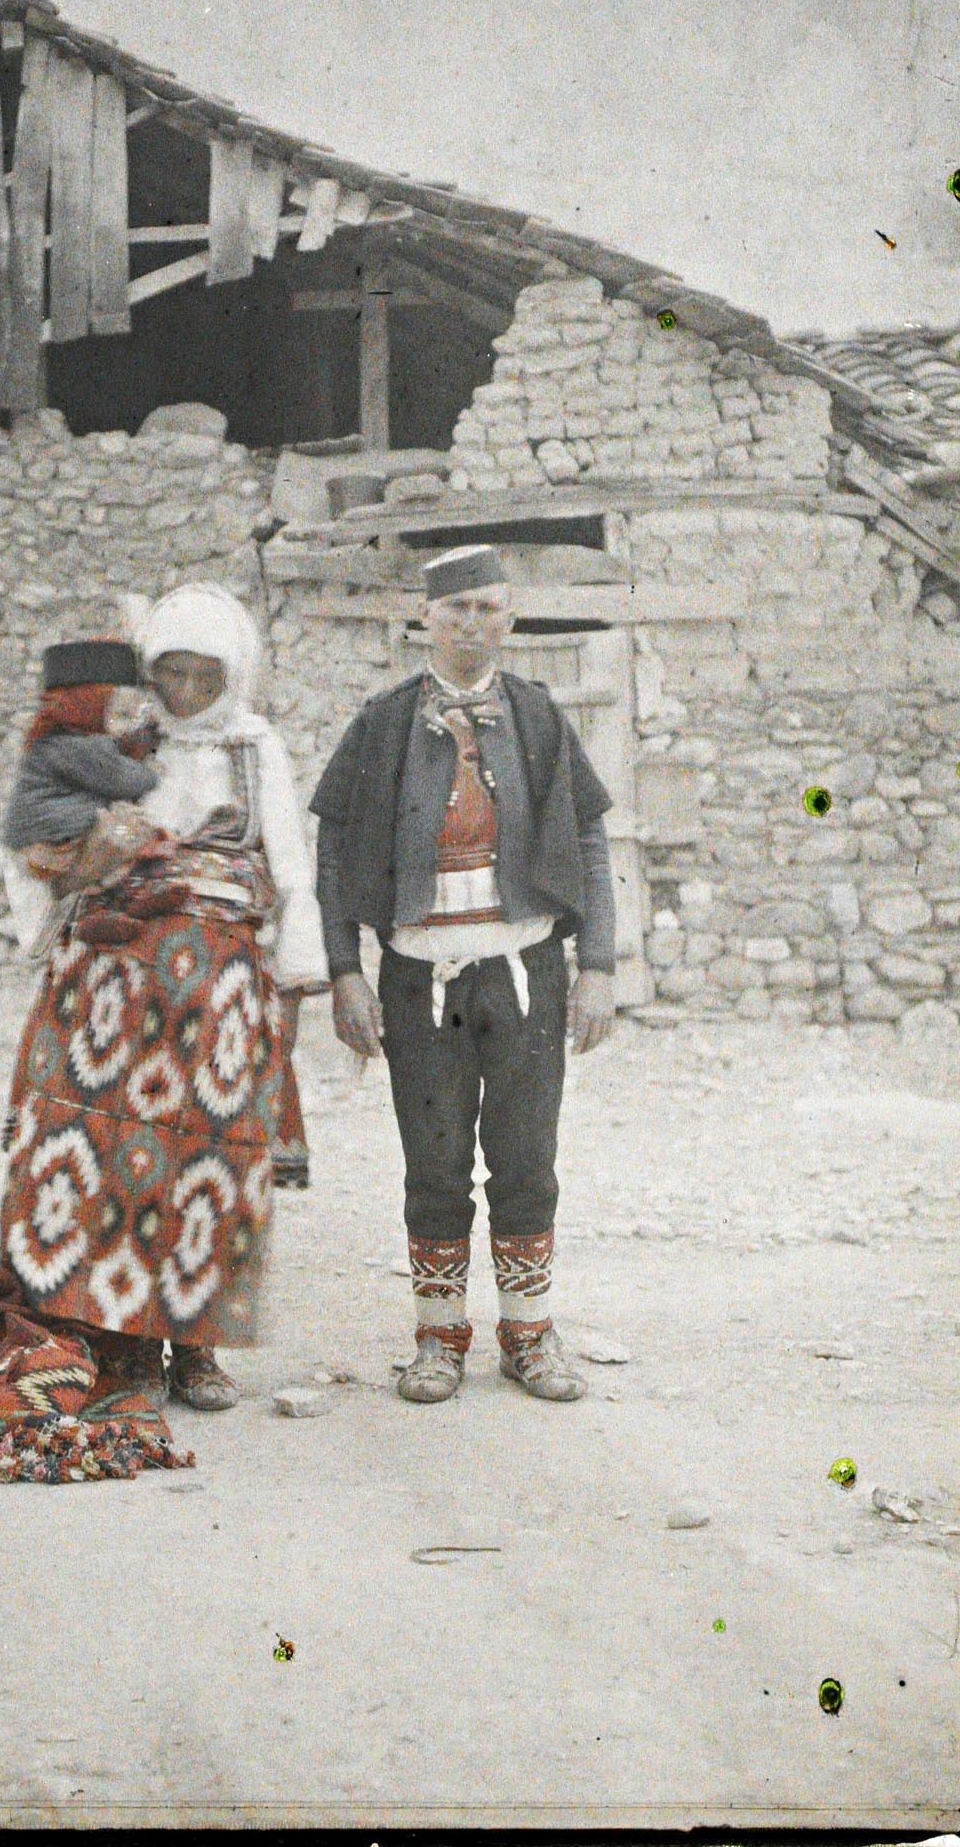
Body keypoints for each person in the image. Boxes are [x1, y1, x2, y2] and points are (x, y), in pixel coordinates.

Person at [0, 584, 326, 1484]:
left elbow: (289, 866)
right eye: (175, 670)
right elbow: (38, 843)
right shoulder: (121, 742)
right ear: (151, 670)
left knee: (210, 1155)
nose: (191, 687)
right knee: (101, 1148)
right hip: (115, 972)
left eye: (209, 673)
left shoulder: (255, 747)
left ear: (234, 672)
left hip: (218, 974)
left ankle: (195, 1342)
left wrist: (296, 974)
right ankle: (110, 1330)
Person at [311, 544, 616, 1407]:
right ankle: (439, 1339)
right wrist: (344, 971)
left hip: (522, 968)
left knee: (525, 1157)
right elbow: (332, 849)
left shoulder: (536, 716)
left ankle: (527, 1336)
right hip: (417, 979)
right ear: (426, 619)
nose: (471, 625)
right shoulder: (381, 722)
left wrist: (596, 964)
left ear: (509, 619)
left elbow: (589, 840)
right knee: (435, 1163)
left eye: (487, 608)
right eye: (455, 611)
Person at [3, 636, 161, 856]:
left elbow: (105, 758)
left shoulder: (58, 738)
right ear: (86, 702)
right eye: (105, 701)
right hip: (46, 838)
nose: (107, 708)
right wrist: (155, 769)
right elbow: (128, 781)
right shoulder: (70, 746)